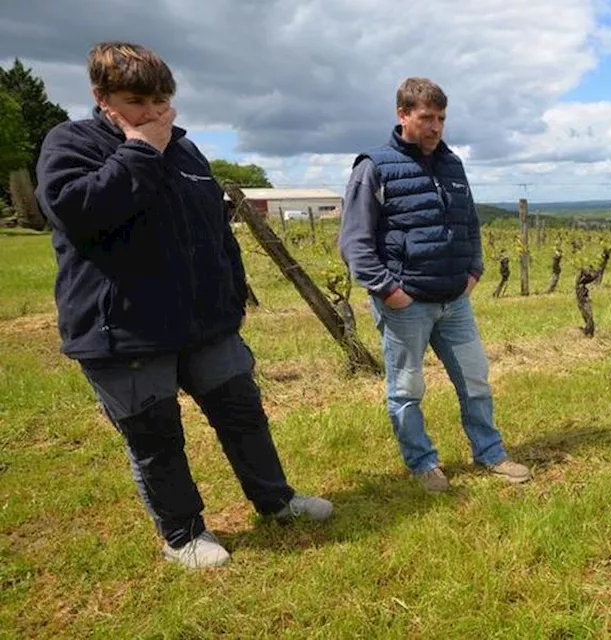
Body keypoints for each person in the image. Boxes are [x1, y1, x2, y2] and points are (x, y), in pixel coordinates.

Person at [35, 42, 333, 570]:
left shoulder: (189, 153)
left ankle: (277, 502)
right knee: (155, 437)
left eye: (162, 101)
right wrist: (141, 150)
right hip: (122, 329)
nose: (153, 114)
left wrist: (231, 296)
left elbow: (217, 234)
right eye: (136, 101)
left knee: (244, 415)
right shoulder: (70, 144)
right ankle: (184, 535)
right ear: (101, 97)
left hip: (204, 324)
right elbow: (80, 210)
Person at [339, 77, 531, 493]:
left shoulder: (452, 164)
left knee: (476, 378)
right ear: (403, 114)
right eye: (427, 117)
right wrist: (389, 290)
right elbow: (354, 241)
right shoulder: (374, 166)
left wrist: (475, 271)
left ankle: (490, 452)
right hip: (406, 304)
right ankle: (422, 462)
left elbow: (469, 224)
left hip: (454, 301)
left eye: (442, 118)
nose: (436, 127)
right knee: (407, 388)